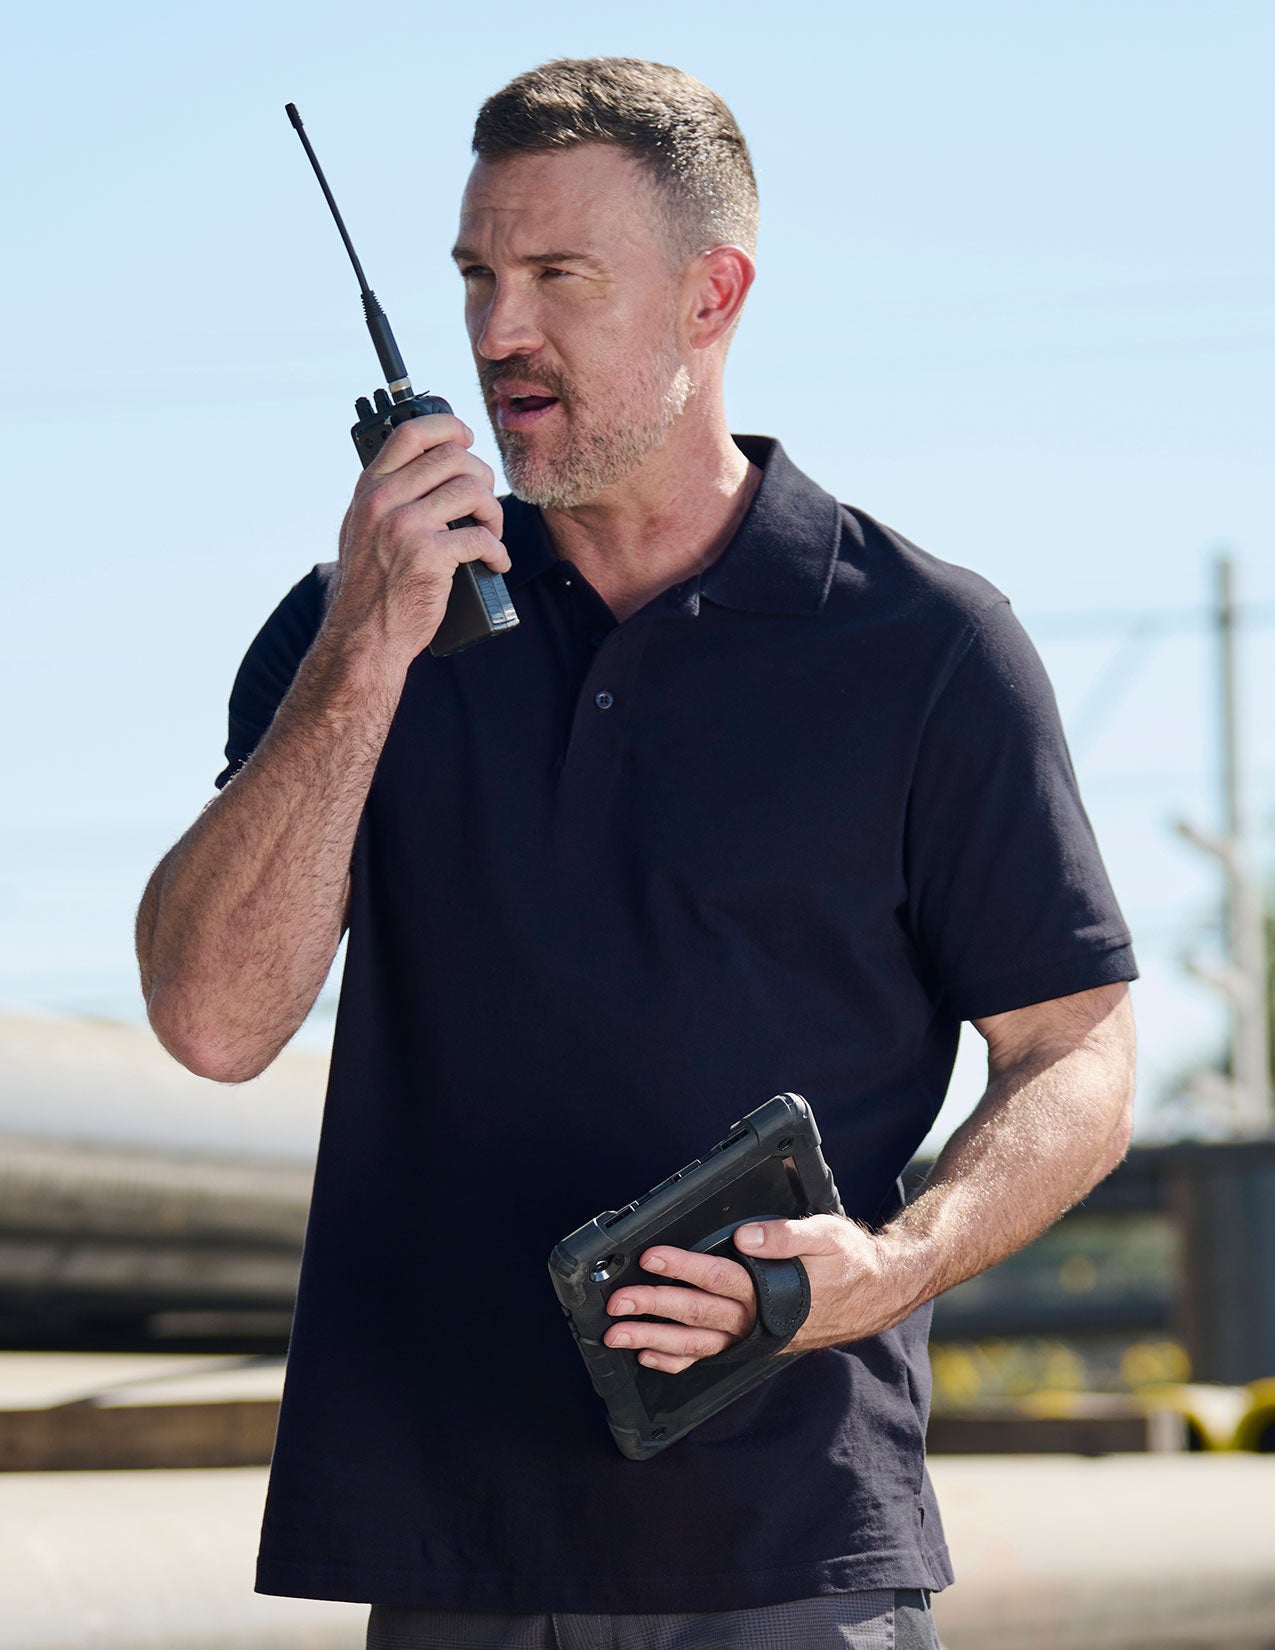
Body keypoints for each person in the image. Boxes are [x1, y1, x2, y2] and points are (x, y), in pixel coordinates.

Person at [136, 56, 1137, 1650]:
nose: (495, 332)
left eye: (556, 278)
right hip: (450, 1557)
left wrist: (885, 1264)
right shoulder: (363, 626)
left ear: (709, 295)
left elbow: (1076, 1054)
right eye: (475, 276)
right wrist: (365, 650)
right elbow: (210, 1016)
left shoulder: (928, 647)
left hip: (795, 1558)